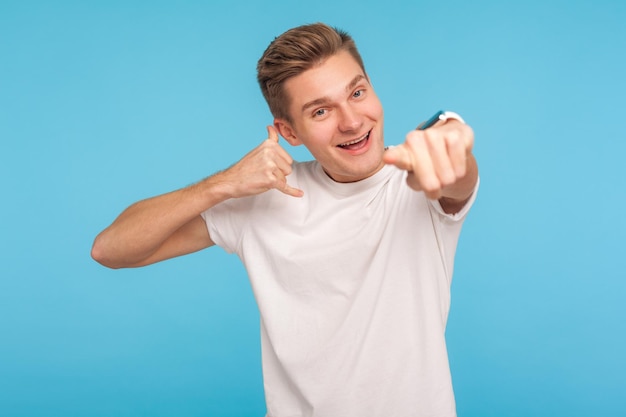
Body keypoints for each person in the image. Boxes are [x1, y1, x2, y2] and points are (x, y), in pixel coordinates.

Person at [92, 22, 478, 417]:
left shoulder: (415, 180)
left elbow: (455, 174)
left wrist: (452, 141)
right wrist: (222, 184)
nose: (351, 120)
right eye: (321, 110)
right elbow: (110, 249)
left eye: (357, 93)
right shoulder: (263, 195)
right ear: (288, 132)